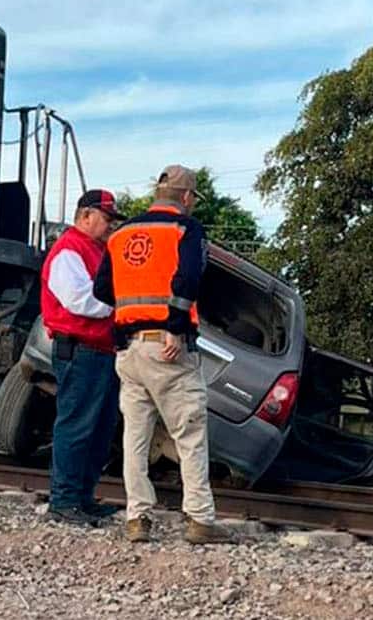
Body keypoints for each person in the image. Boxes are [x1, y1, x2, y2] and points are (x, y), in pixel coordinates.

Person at [94, 164, 231, 545]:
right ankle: (201, 519)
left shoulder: (121, 235)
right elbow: (188, 278)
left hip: (128, 350)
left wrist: (133, 304)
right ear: (187, 198)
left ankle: (137, 518)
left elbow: (102, 288)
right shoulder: (186, 230)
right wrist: (172, 322)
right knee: (188, 432)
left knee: (135, 437)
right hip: (167, 347)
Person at [41, 189, 125, 527]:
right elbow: (80, 301)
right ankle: (64, 500)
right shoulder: (70, 249)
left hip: (97, 349)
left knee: (98, 428)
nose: (109, 226)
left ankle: (80, 498)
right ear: (86, 215)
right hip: (81, 347)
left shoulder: (92, 249)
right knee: (78, 425)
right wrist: (122, 308)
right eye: (106, 219)